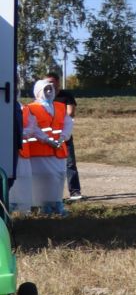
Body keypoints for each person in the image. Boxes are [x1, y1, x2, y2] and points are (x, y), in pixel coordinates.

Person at [16, 77, 72, 216]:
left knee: (58, 177)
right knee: (38, 179)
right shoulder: (31, 108)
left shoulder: (60, 106)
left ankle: (55, 204)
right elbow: (33, 127)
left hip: (58, 150)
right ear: (38, 91)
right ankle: (39, 205)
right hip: (37, 151)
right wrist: (46, 140)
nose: (48, 92)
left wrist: (62, 138)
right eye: (45, 89)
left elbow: (68, 123)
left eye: (50, 89)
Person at [48, 72, 80, 201]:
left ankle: (75, 192)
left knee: (70, 163)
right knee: (49, 165)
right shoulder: (44, 96)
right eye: (46, 82)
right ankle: (52, 194)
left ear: (57, 82)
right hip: (47, 137)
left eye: (51, 82)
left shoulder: (66, 96)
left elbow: (70, 113)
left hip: (64, 135)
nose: (49, 85)